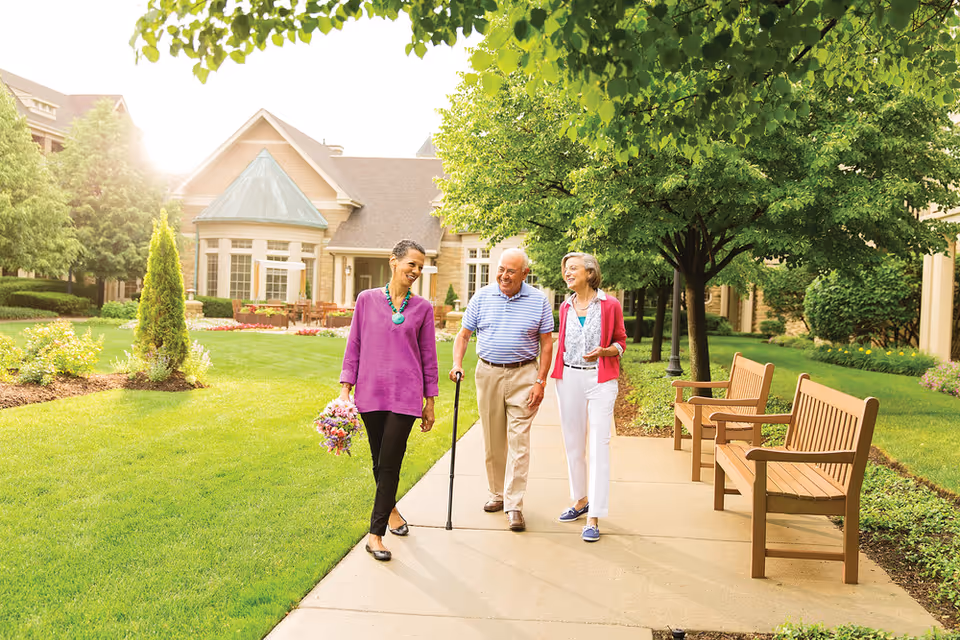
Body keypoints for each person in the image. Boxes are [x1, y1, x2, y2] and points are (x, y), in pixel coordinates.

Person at [340, 239, 439, 561]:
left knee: (390, 463)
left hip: (405, 396)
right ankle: (392, 510)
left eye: (420, 267)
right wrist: (345, 388)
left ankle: (375, 534)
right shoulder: (366, 300)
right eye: (412, 264)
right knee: (379, 462)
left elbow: (428, 356)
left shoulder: (423, 308)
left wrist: (430, 401)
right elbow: (354, 343)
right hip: (370, 392)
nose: (416, 271)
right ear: (393, 262)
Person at [449, 248, 554, 532]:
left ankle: (514, 504)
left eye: (511, 271)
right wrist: (457, 363)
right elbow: (464, 335)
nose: (503, 275)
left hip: (524, 374)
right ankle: (497, 493)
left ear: (524, 274)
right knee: (493, 438)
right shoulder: (482, 297)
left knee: (518, 439)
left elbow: (547, 344)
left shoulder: (539, 301)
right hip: (488, 372)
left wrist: (541, 381)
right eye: (501, 269)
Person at [550, 252, 626, 543]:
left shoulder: (610, 305)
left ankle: (594, 516)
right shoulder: (566, 306)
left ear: (590, 273)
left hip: (599, 378)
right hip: (569, 377)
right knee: (573, 445)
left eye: (573, 269)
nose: (567, 273)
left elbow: (621, 341)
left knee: (598, 445)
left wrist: (606, 352)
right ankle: (580, 501)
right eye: (565, 269)